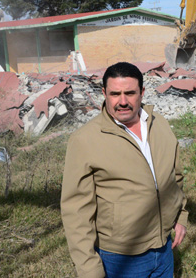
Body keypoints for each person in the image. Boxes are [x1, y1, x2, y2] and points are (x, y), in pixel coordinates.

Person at [61, 62, 188, 278]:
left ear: (142, 92)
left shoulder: (160, 125)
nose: (122, 101)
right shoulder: (85, 141)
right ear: (104, 93)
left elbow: (175, 179)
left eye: (130, 93)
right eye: (115, 94)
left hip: (164, 248)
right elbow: (76, 213)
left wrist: (181, 217)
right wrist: (90, 270)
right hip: (119, 258)